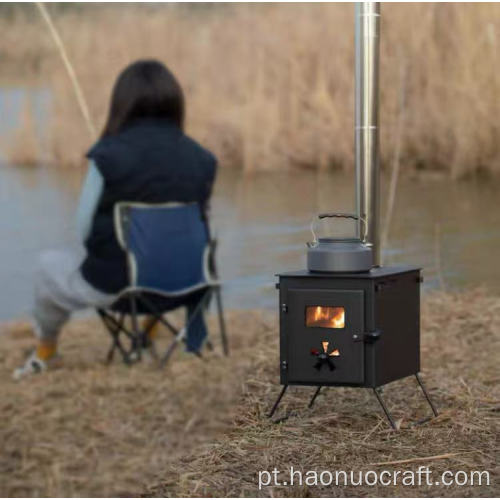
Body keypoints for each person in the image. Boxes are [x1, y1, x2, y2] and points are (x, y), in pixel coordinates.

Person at [13, 59, 217, 380]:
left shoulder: (107, 156)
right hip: (186, 286)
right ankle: (156, 330)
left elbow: (83, 230)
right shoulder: (203, 159)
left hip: (120, 290)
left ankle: (46, 351)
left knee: (46, 266)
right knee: (165, 251)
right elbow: (200, 230)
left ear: (121, 103)